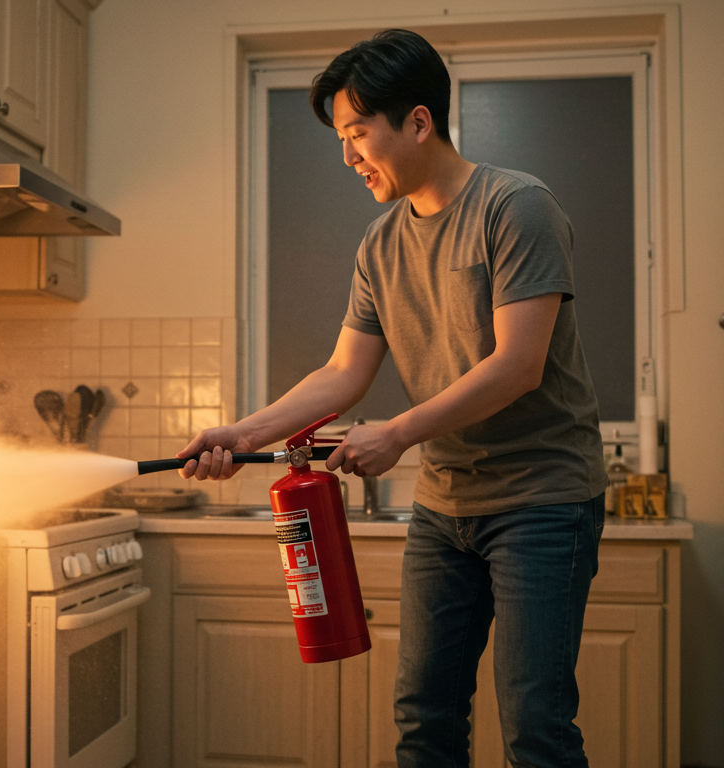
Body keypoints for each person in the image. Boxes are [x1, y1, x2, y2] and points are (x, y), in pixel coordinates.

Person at [176, 28, 608, 768]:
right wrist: (241, 435)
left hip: (543, 500)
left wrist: (398, 433)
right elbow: (343, 373)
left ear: (417, 121)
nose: (347, 156)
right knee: (424, 713)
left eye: (356, 133)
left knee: (535, 722)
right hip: (447, 506)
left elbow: (517, 366)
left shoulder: (517, 207)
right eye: (341, 137)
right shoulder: (381, 244)